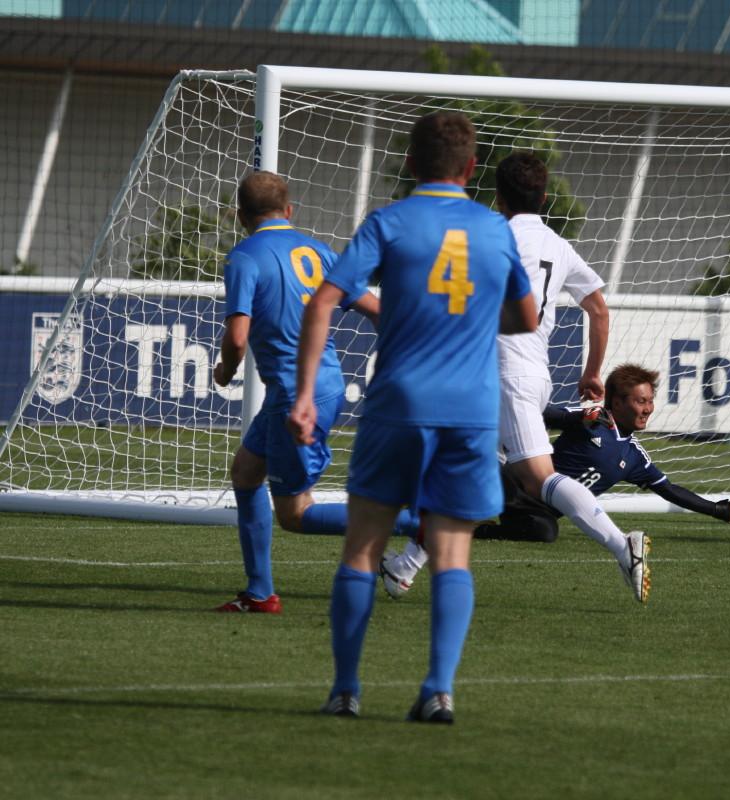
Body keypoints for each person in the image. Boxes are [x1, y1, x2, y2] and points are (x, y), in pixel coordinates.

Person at [288, 111, 537, 722]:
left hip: (397, 405)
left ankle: (345, 690)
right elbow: (527, 318)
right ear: (472, 169)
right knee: (452, 553)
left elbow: (326, 299)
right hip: (471, 413)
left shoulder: (390, 221)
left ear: (408, 162)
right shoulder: (494, 228)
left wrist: (302, 395)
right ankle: (437, 691)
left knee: (363, 547)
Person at [381, 152, 651, 603]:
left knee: (538, 478)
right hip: (527, 373)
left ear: (498, 195)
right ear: (544, 197)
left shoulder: (491, 235)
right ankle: (405, 566)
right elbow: (599, 310)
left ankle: (621, 544)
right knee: (460, 468)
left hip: (500, 374)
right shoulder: (559, 246)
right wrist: (592, 373)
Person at [380, 364, 730, 595]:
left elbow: (670, 490)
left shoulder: (635, 457)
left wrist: (718, 510)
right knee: (462, 492)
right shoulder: (593, 418)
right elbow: (539, 414)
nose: (647, 408)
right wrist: (575, 418)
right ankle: (410, 524)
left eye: (648, 401)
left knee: (544, 532)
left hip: (534, 511)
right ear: (615, 402)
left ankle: (443, 539)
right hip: (514, 480)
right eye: (638, 401)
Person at [212, 171, 379, 614]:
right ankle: (259, 593)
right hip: (316, 386)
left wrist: (225, 370)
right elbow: (376, 310)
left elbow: (237, 337)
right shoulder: (318, 251)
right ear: (289, 211)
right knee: (246, 472)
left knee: (295, 514)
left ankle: (419, 524)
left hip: (295, 397)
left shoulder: (244, 257)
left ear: (241, 216)